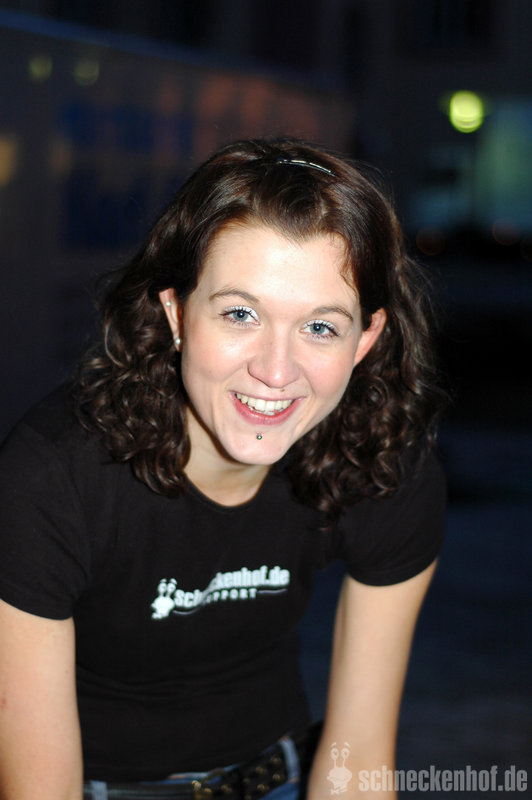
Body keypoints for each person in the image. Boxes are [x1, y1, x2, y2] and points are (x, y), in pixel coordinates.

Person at [0, 137, 446, 800]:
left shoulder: (380, 460)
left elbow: (358, 762)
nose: (275, 370)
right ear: (177, 313)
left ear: (366, 339)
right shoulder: (52, 477)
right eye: (241, 313)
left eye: (321, 327)